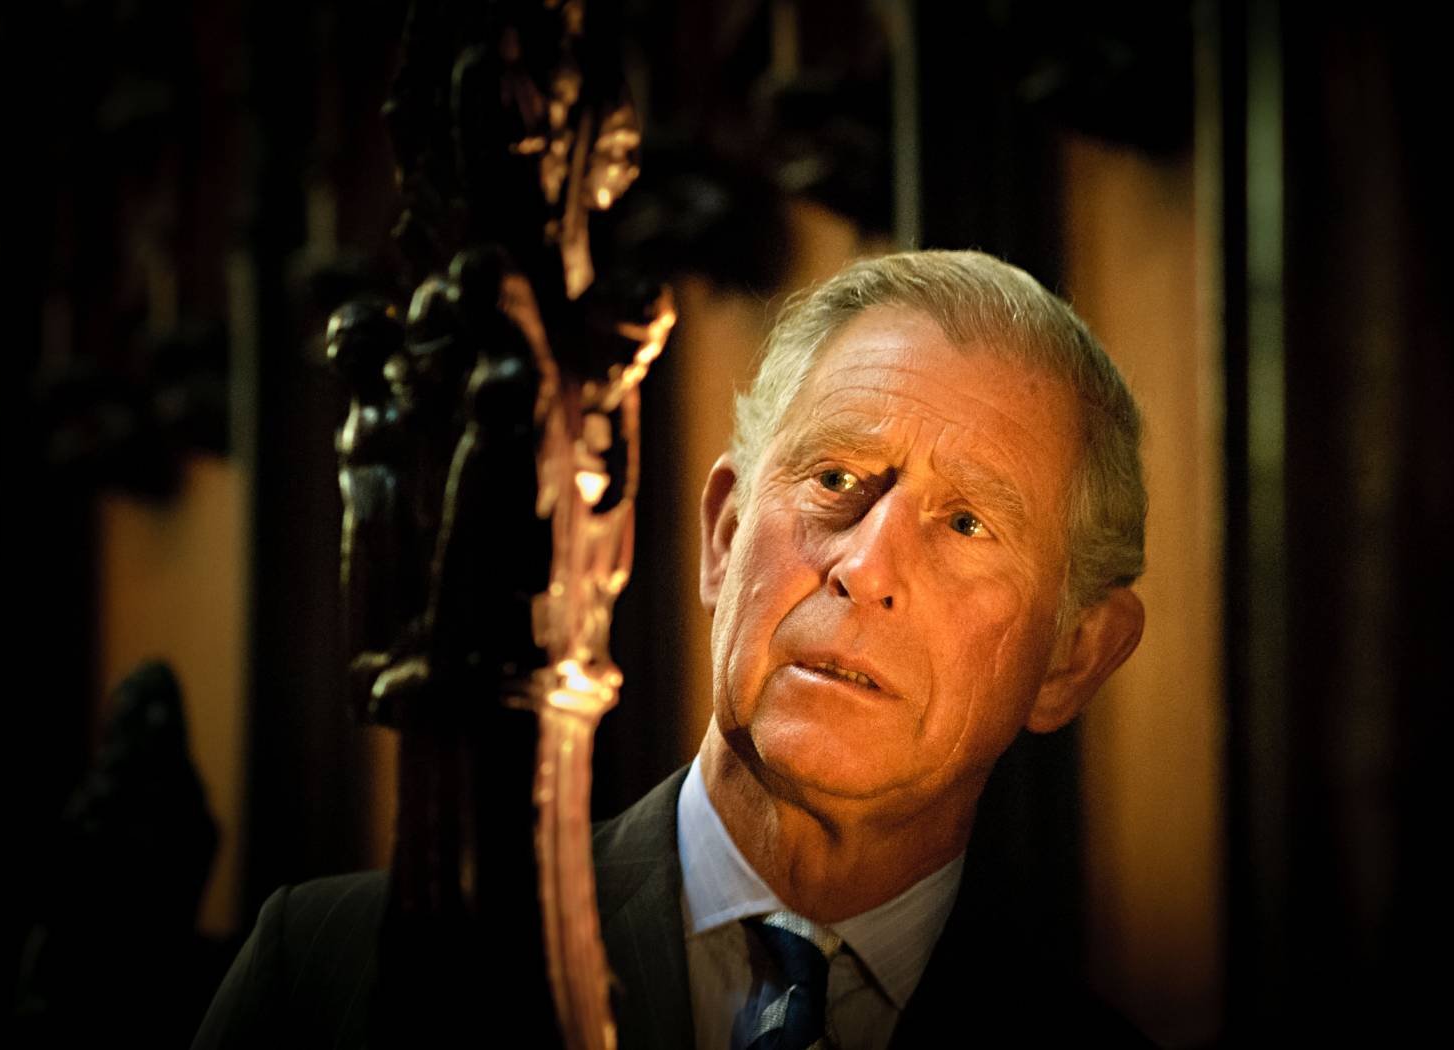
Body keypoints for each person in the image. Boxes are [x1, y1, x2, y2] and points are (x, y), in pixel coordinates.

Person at [193, 250, 1150, 1049]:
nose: (865, 565)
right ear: (725, 536)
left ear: (1072, 658)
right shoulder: (324, 974)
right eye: (835, 476)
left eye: (969, 524)